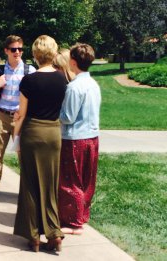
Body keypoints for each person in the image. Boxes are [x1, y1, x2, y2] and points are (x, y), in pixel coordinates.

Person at [13, 35, 66, 252]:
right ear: (54, 53)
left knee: (30, 184)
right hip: (53, 133)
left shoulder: (29, 80)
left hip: (32, 132)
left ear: (35, 54)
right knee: (51, 185)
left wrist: (16, 138)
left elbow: (21, 114)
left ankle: (33, 236)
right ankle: (54, 234)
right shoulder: (62, 79)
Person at [0, 35, 36, 200]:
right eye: (13, 49)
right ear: (6, 51)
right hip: (2, 115)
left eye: (20, 49)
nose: (17, 52)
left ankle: (26, 188)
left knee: (23, 154)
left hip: (21, 117)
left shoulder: (29, 71)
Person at [58, 43, 101, 235]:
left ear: (73, 62)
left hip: (74, 138)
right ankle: (82, 214)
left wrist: (54, 110)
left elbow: (67, 117)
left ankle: (73, 221)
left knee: (70, 180)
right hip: (92, 137)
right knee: (86, 179)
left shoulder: (74, 87)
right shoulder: (93, 84)